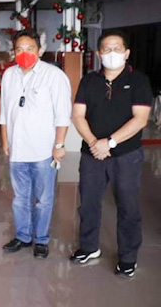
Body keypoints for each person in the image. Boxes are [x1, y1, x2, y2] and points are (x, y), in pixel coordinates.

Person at [70, 30, 152, 278]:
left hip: (126, 155)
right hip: (91, 154)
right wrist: (94, 142)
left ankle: (128, 257)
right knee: (88, 203)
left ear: (126, 53)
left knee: (128, 206)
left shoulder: (138, 81)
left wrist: (110, 142)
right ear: (99, 54)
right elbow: (78, 115)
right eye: (107, 49)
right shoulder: (89, 81)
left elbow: (140, 119)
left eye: (117, 49)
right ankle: (89, 247)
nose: (112, 53)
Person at [0, 29, 72, 259]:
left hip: (43, 151)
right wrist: (5, 140)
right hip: (17, 150)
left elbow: (63, 114)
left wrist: (59, 145)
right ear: (13, 52)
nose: (24, 53)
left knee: (43, 199)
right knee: (20, 198)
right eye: (19, 49)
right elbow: (5, 111)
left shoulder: (54, 75)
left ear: (40, 50)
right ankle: (23, 236)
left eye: (30, 48)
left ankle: (41, 239)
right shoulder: (9, 75)